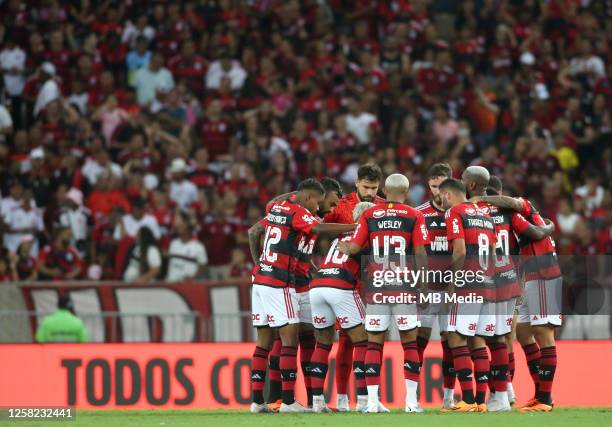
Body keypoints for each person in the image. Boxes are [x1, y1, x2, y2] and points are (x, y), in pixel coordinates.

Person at [248, 178, 355, 413]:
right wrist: (356, 227)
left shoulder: (284, 209)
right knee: (289, 340)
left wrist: (259, 267)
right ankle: (287, 401)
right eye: (327, 202)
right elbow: (255, 230)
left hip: (276, 280)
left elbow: (260, 225)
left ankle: (280, 401)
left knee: (289, 340)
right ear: (315, 196)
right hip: (283, 283)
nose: (328, 208)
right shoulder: (300, 213)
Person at [463, 167, 555, 412]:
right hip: (514, 279)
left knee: (489, 338)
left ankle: (536, 398)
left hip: (525, 275)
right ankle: (512, 394)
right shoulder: (510, 214)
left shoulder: (476, 211)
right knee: (514, 336)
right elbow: (533, 233)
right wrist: (550, 227)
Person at [339, 173, 430, 413]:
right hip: (403, 287)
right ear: (407, 193)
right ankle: (411, 403)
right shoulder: (415, 215)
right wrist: (423, 286)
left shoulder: (369, 214)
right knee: (409, 343)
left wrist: (345, 247)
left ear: (384, 192)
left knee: (374, 344)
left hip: (377, 287)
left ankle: (370, 403)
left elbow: (356, 248)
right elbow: (420, 254)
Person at [323, 163, 385, 412]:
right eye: (366, 187)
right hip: (347, 283)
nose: (370, 192)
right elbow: (318, 226)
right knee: (347, 341)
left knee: (375, 339)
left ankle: (370, 397)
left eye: (374, 188)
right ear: (357, 183)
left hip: (374, 282)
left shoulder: (382, 206)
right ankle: (340, 398)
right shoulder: (341, 204)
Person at [438, 178, 497, 413]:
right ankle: (481, 402)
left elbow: (460, 250)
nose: (441, 201)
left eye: (442, 196)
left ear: (449, 195)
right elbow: (493, 252)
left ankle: (468, 400)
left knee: (456, 337)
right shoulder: (485, 216)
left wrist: (453, 282)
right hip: (487, 283)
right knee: (479, 340)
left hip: (466, 284)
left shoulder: (454, 212)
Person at [309, 201, 373, 413]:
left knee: (323, 344)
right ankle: (364, 402)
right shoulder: (367, 237)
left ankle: (317, 402)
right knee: (363, 341)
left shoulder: (340, 236)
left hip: (318, 285)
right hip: (341, 286)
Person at [415, 162, 456, 409]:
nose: (438, 191)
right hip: (427, 290)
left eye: (442, 185)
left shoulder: (461, 212)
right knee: (418, 342)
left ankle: (449, 399)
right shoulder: (418, 213)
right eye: (433, 186)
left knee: (451, 342)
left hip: (454, 290)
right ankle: (413, 398)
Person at [166, 213, 208, 282]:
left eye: (182, 227)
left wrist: (193, 277)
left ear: (189, 230)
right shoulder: (173, 243)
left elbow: (203, 266)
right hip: (171, 281)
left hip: (187, 285)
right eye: (179, 227)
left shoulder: (198, 246)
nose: (179, 229)